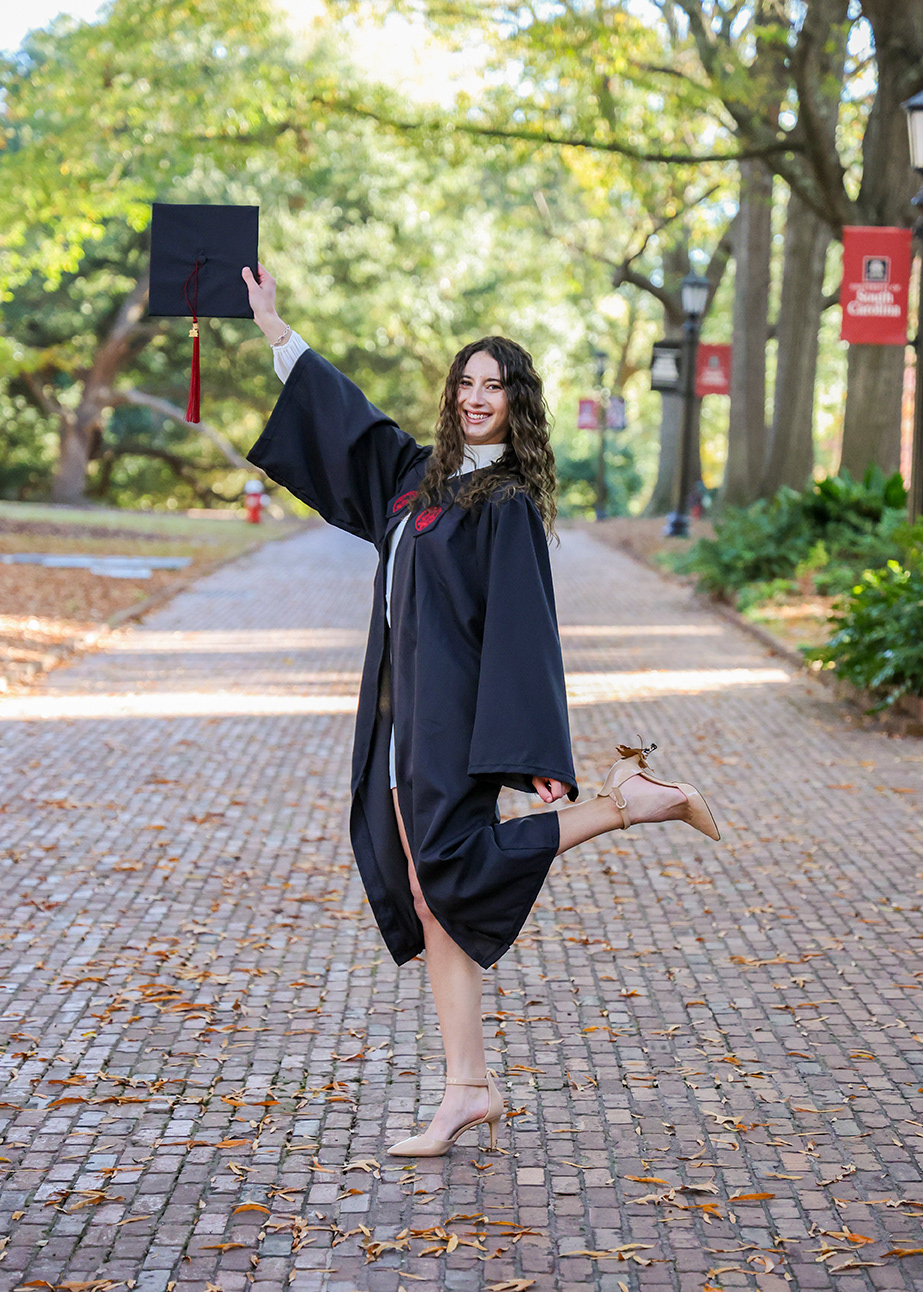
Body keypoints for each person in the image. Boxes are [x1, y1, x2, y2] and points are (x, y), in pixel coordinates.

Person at [242, 264, 719, 1158]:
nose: (473, 397)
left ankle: (622, 806)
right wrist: (278, 333)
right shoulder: (417, 479)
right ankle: (467, 1087)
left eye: (492, 386)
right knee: (433, 900)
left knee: (448, 876)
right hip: (398, 722)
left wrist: (532, 752)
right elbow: (349, 422)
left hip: (451, 726)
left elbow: (523, 629)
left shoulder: (504, 504)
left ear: (515, 403)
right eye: (465, 382)